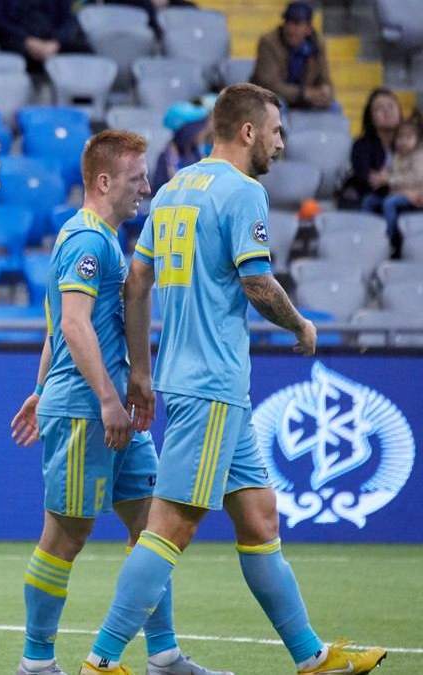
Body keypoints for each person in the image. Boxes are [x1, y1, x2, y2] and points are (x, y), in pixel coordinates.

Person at [77, 83, 387, 675]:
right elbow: (257, 283)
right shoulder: (244, 191)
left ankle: (311, 657)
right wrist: (300, 324)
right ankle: (102, 661)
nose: (280, 143)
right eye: (275, 131)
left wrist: (142, 369)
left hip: (204, 384)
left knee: (259, 517)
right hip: (211, 384)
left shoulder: (173, 188)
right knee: (169, 529)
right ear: (248, 132)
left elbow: (136, 285)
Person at [8, 130, 230, 675]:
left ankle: (165, 656)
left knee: (152, 529)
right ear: (104, 181)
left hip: (108, 411)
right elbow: (73, 325)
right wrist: (107, 399)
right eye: (137, 179)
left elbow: (58, 330)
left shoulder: (101, 239)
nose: (146, 189)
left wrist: (41, 388)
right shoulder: (87, 240)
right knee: (66, 536)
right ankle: (35, 662)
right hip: (88, 411)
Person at [251, 1, 335, 111]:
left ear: (308, 29)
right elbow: (269, 85)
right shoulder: (268, 42)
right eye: (287, 22)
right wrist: (304, 93)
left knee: (334, 107)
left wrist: (325, 92)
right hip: (272, 100)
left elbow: (325, 79)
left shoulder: (317, 44)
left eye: (296, 24)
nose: (290, 29)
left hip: (305, 101)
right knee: (277, 107)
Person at [0, 0, 89, 74]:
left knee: (83, 51)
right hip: (17, 40)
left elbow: (69, 20)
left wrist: (56, 43)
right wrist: (27, 41)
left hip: (53, 43)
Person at [340, 88, 405, 210]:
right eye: (379, 108)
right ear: (371, 117)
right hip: (372, 195)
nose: (387, 111)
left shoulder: (414, 142)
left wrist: (390, 178)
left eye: (391, 106)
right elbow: (368, 177)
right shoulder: (361, 145)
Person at [375, 115, 423, 257]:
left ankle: (391, 239)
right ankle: (372, 234)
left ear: (417, 140)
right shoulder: (397, 156)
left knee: (389, 203)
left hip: (415, 194)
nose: (403, 141)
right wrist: (382, 175)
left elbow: (416, 177)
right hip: (398, 191)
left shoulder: (419, 156)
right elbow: (391, 172)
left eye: (408, 137)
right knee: (369, 201)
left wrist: (390, 180)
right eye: (400, 137)